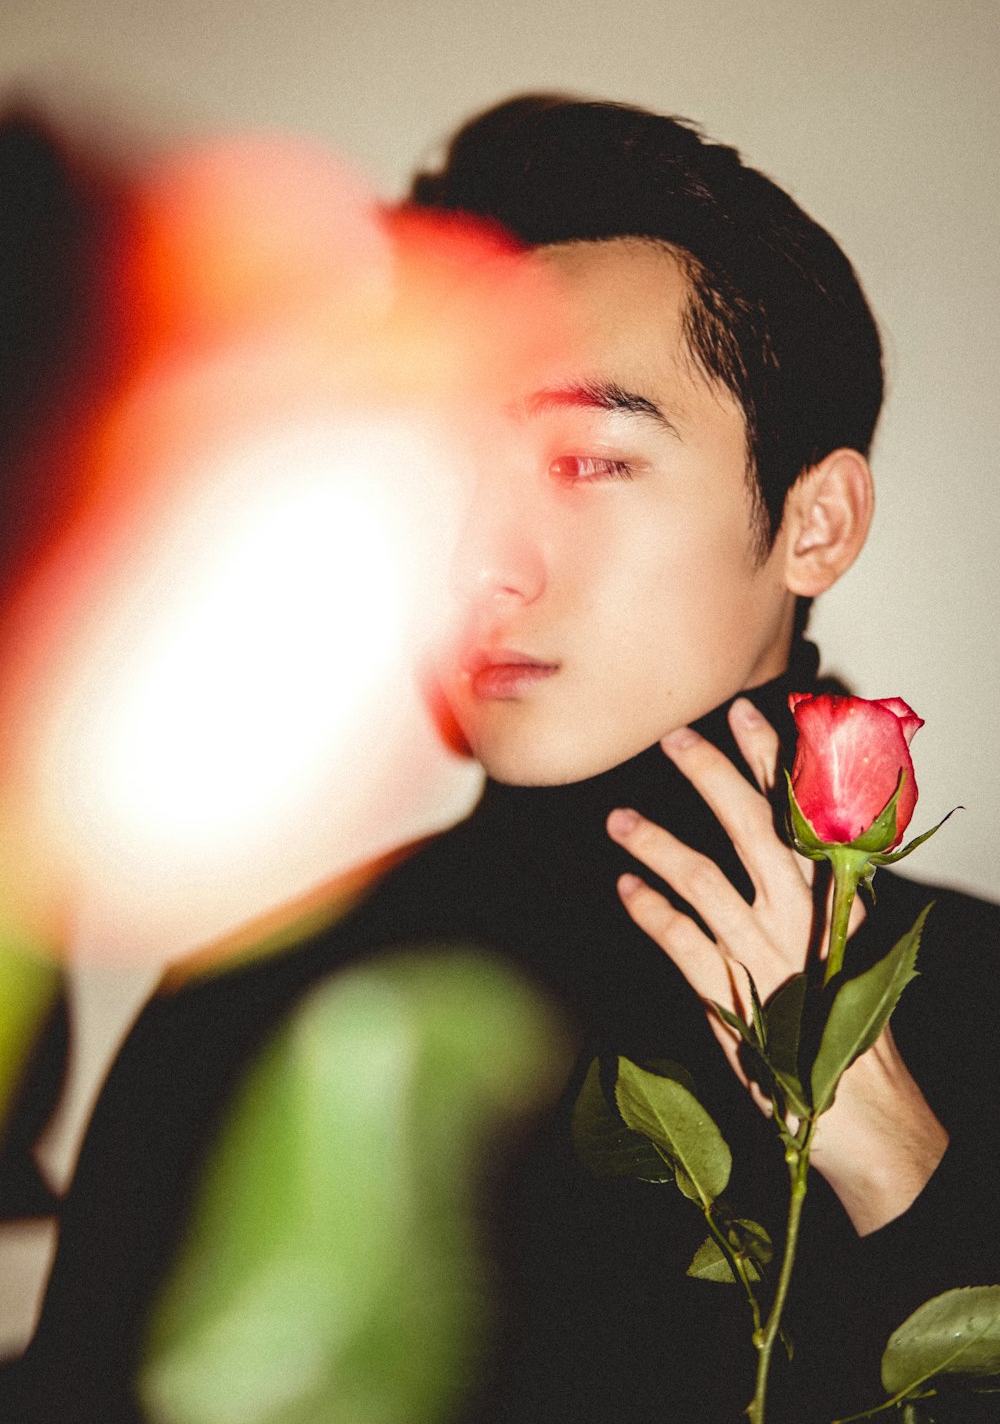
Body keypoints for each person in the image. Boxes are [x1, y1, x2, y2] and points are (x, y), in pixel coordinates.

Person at [5, 96, 999, 1424]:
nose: (482, 556)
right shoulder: (248, 1003)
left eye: (586, 459)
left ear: (815, 521)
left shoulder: (978, 1004)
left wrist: (899, 1161)